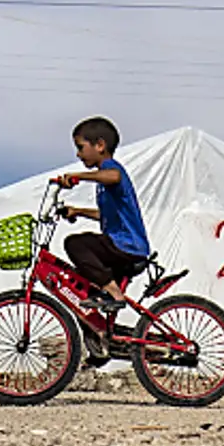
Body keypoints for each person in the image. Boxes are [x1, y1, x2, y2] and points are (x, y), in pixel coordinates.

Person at [50, 117, 158, 361]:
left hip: (128, 248)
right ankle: (101, 339)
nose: (78, 154)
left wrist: (78, 177)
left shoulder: (111, 169)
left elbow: (114, 177)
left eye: (80, 147)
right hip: (119, 246)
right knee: (86, 289)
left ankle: (113, 294)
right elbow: (106, 215)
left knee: (75, 244)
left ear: (100, 145)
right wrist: (78, 211)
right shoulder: (103, 181)